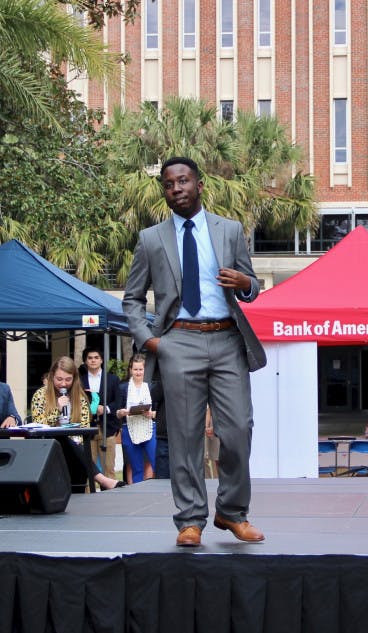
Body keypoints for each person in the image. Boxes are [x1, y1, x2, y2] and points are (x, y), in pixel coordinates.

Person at [122, 156, 267, 547]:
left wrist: (245, 282)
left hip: (226, 340)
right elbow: (132, 299)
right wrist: (151, 341)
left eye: (183, 181)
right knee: (185, 436)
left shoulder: (230, 230)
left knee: (237, 429)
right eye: (169, 184)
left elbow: (252, 286)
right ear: (165, 192)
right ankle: (190, 520)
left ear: (200, 185)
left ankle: (231, 512)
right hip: (178, 341)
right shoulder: (151, 239)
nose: (176, 189)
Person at [31, 356, 124, 491]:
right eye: (59, 379)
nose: (63, 384)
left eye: (68, 380)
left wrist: (75, 441)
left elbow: (84, 427)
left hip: (76, 449)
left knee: (75, 448)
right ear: (52, 376)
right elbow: (38, 425)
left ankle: (95, 481)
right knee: (62, 437)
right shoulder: (40, 395)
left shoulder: (79, 397)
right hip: (49, 447)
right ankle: (100, 478)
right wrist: (57, 410)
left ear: (74, 379)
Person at [78, 347, 121, 478]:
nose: (93, 360)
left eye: (96, 357)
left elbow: (118, 401)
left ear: (102, 360)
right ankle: (87, 496)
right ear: (85, 361)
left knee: (109, 469)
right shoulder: (80, 380)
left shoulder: (112, 379)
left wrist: (106, 408)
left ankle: (110, 496)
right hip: (87, 428)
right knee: (87, 469)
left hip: (107, 428)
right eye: (90, 358)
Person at [114, 354, 156, 483]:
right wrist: (122, 412)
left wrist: (152, 414)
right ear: (130, 370)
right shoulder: (123, 388)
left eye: (140, 369)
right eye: (135, 369)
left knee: (157, 463)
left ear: (145, 370)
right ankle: (138, 497)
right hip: (129, 429)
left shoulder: (151, 386)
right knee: (136, 467)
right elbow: (117, 412)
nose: (138, 372)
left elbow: (159, 411)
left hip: (149, 427)